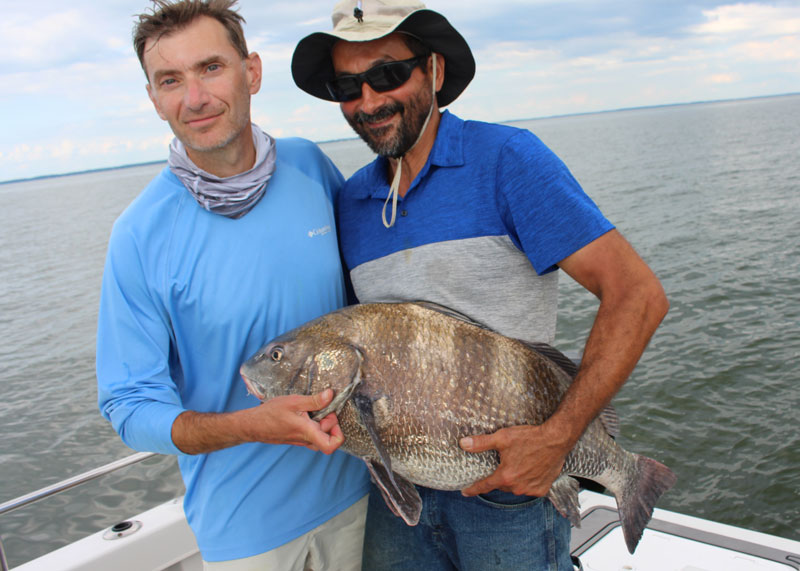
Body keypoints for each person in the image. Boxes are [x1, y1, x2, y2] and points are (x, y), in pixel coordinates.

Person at [291, 1, 669, 569]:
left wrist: (557, 440)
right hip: (399, 495)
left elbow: (637, 295)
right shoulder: (352, 202)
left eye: (387, 74)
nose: (367, 102)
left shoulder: (507, 161)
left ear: (435, 69)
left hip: (510, 496)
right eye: (347, 86)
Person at [96, 1, 369, 568]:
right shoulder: (139, 234)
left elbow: (367, 304)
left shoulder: (309, 166)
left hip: (364, 493)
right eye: (170, 80)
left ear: (253, 72)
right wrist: (250, 425)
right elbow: (129, 404)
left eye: (211, 68)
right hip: (245, 533)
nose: (194, 98)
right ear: (154, 99)